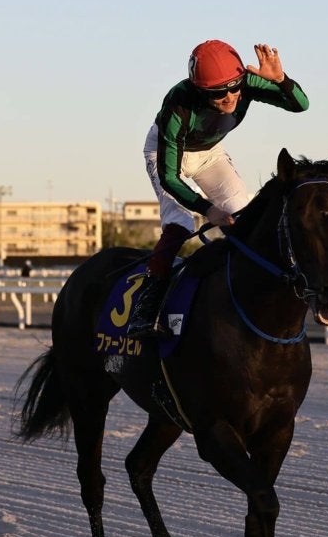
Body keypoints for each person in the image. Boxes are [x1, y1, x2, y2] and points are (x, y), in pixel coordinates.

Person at [128, 40, 310, 338]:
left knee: (244, 219)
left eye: (234, 88)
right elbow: (169, 177)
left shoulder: (247, 81)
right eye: (217, 93)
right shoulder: (178, 103)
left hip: (210, 153)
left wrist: (280, 79)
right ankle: (144, 312)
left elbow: (300, 105)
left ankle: (250, 295)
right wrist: (207, 209)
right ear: (199, 90)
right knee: (180, 223)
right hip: (166, 154)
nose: (229, 97)